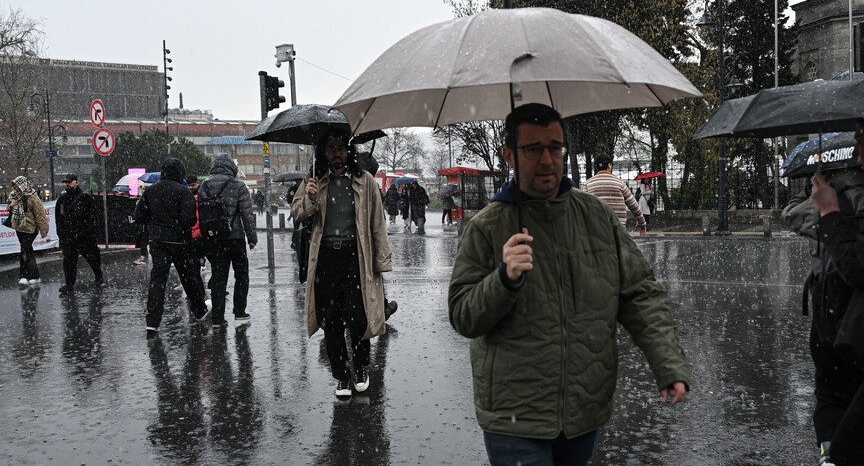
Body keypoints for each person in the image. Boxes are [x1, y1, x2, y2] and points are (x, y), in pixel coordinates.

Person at [448, 103, 689, 465]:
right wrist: (503, 279)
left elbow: (639, 294)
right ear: (510, 155)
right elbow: (463, 315)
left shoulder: (595, 216)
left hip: (584, 410)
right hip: (515, 417)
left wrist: (667, 364)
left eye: (555, 147)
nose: (547, 159)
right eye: (533, 149)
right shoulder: (488, 226)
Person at [784, 121, 864, 466]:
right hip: (830, 307)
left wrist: (832, 211)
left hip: (846, 316)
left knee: (834, 399)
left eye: (863, 140)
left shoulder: (842, 200)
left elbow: (856, 269)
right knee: (831, 394)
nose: (859, 151)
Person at [292, 129, 392, 398]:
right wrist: (310, 198)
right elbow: (297, 213)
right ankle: (341, 375)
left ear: (349, 151)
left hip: (355, 258)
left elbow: (377, 226)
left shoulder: (365, 181)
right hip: (325, 259)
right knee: (330, 321)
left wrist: (381, 263)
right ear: (323, 153)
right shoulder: (314, 180)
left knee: (358, 317)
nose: (335, 153)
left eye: (340, 148)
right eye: (330, 148)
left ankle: (360, 368)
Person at [134, 157, 211, 338]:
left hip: (158, 242)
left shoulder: (151, 192)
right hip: (180, 242)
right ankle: (199, 310)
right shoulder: (183, 192)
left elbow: (139, 216)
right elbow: (190, 218)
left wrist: (156, 223)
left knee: (158, 281)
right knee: (188, 278)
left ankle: (152, 322)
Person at [198, 154, 257, 329]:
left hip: (214, 239)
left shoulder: (204, 185)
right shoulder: (238, 186)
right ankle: (239, 311)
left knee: (218, 277)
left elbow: (202, 213)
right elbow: (247, 213)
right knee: (241, 275)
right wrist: (251, 238)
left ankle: (217, 318)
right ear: (232, 168)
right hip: (235, 238)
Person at [55, 174, 104, 294]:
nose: (67, 184)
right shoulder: (62, 199)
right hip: (69, 238)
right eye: (66, 182)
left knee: (93, 259)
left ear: (77, 182)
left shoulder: (85, 198)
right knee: (69, 261)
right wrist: (62, 235)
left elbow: (94, 217)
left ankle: (98, 276)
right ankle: (69, 285)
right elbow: (59, 219)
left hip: (85, 237)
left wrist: (91, 233)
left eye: (70, 182)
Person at [585, 154, 647, 232]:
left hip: (596, 230)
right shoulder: (620, 183)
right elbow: (633, 205)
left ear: (596, 167)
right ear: (609, 166)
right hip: (618, 230)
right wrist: (642, 223)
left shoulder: (588, 184)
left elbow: (582, 207)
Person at [7, 175, 49, 285]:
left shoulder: (33, 197)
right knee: (28, 251)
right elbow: (9, 208)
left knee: (24, 250)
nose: (15, 188)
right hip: (19, 227)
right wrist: (12, 205)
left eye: (17, 186)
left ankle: (24, 276)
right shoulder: (13, 196)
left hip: (31, 229)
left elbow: (40, 215)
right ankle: (35, 276)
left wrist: (44, 230)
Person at [133, 187, 150, 265]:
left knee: (146, 239)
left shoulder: (145, 200)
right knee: (145, 239)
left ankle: (143, 257)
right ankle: (143, 257)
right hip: (149, 224)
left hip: (149, 223)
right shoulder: (144, 200)